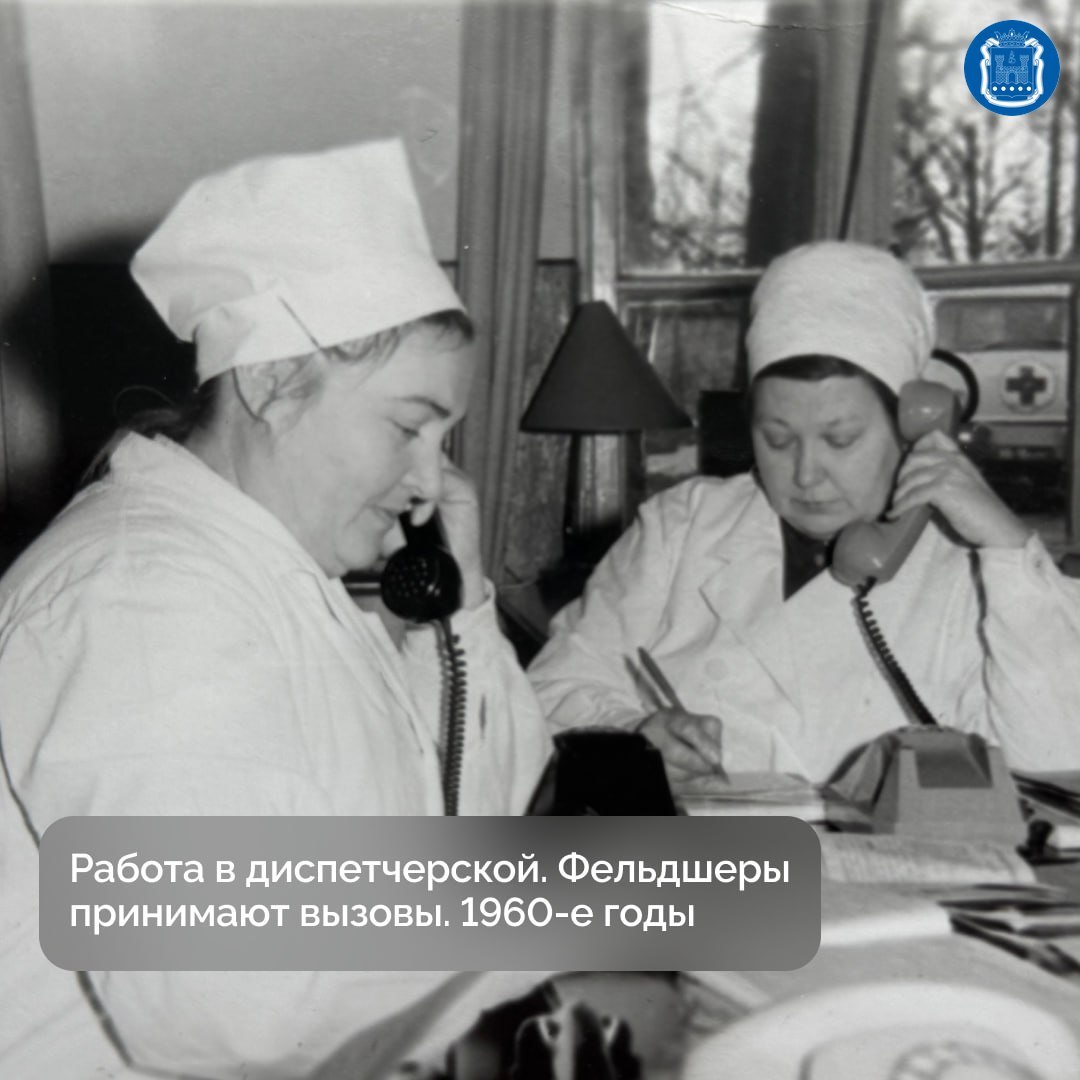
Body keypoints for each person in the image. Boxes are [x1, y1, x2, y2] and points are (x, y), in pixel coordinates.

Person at [0, 141, 552, 1078]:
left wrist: (458, 616)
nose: (432, 483)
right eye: (407, 426)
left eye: (443, 438)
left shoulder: (284, 578)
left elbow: (481, 824)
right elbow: (235, 1007)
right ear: (269, 382)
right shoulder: (144, 598)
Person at [528, 241, 1080, 787]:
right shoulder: (682, 527)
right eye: (778, 439)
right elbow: (549, 691)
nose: (806, 474)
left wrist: (1008, 548)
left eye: (841, 440)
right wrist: (634, 737)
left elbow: (1057, 761)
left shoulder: (978, 571)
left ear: (914, 426)